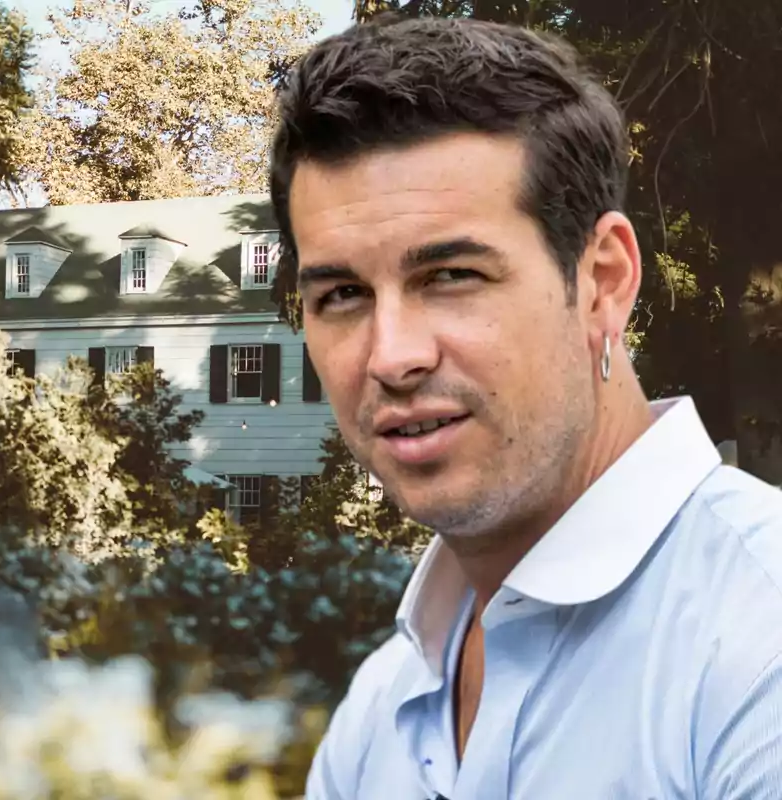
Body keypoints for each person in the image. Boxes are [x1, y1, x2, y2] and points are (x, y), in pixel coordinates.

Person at [268, 14, 782, 800]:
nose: (391, 355)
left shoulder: (757, 636)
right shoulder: (381, 707)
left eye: (451, 276)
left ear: (604, 282)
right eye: (342, 294)